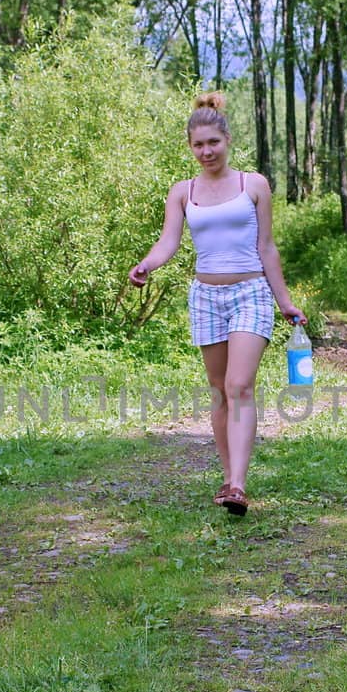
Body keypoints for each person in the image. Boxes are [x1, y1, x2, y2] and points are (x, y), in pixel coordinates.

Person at [128, 91, 303, 516]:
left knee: (239, 386)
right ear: (190, 147)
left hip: (250, 293)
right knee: (220, 393)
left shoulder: (253, 185)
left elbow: (267, 247)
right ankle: (228, 479)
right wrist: (147, 264)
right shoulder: (183, 192)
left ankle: (239, 484)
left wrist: (285, 301)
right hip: (205, 297)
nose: (206, 151)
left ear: (227, 140)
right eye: (198, 144)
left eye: (213, 143)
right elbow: (169, 241)